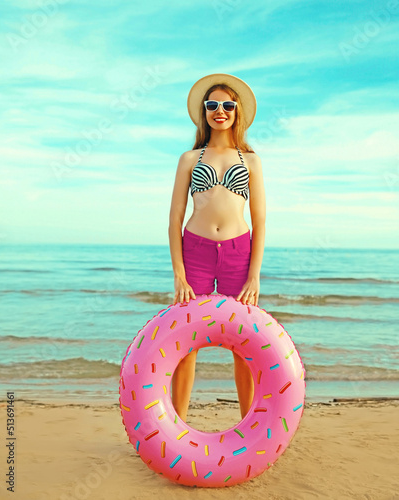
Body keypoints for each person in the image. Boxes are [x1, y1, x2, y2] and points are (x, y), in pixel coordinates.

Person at [168, 73, 266, 424]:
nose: (219, 110)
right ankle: (177, 425)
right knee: (185, 342)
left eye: (227, 104)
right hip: (195, 248)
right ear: (203, 112)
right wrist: (179, 273)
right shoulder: (189, 158)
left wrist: (254, 275)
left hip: (239, 251)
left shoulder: (251, 160)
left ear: (237, 111)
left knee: (243, 344)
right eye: (212, 105)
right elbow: (175, 218)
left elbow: (261, 223)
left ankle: (249, 425)